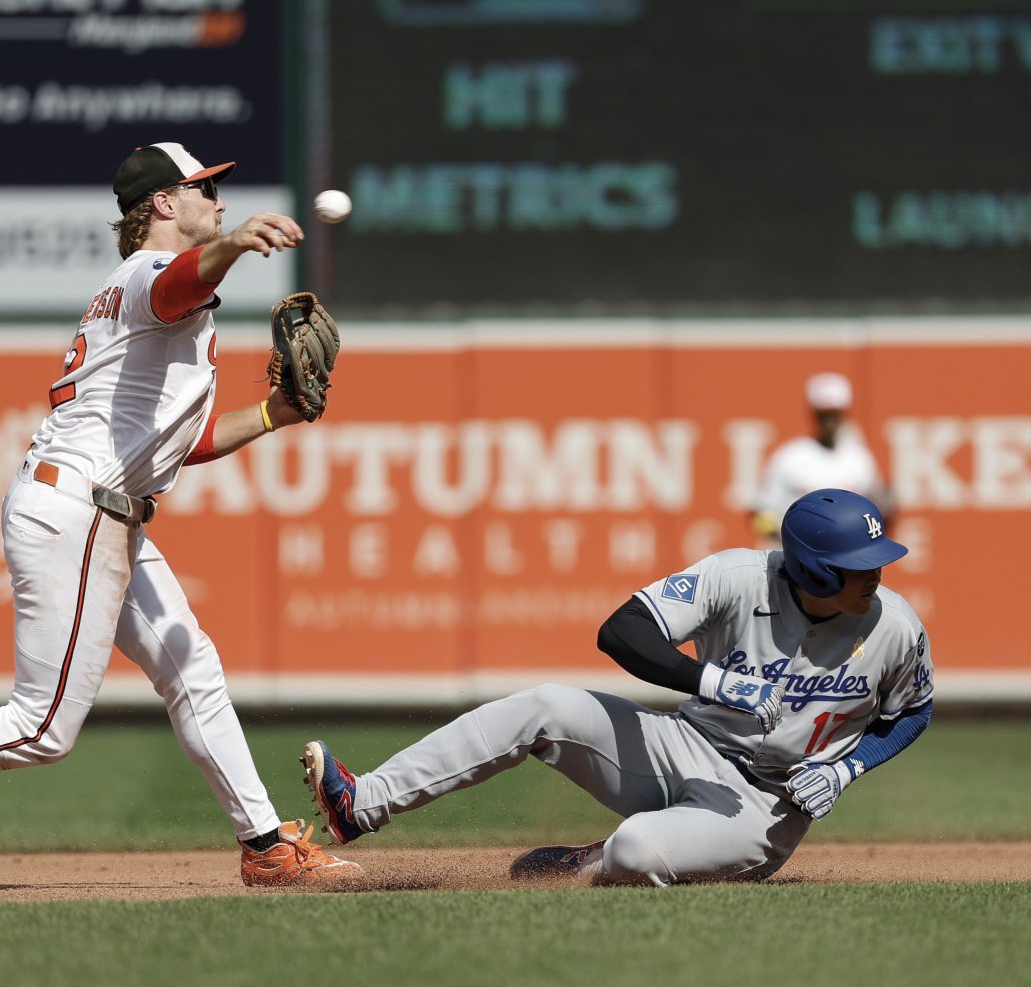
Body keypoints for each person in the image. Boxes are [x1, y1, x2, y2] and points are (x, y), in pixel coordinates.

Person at [0, 142, 358, 890]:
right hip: (79, 513)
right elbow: (182, 277)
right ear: (163, 204)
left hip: (100, 511)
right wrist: (235, 242)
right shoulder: (151, 277)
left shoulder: (160, 302)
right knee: (41, 727)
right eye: (204, 189)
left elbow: (177, 446)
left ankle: (265, 846)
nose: (218, 198)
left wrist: (273, 412)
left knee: (193, 668)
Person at [302, 488, 933, 886]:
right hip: (686, 743)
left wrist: (846, 772)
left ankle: (586, 862)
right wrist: (712, 680)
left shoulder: (896, 627)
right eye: (858, 567)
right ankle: (360, 803)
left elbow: (914, 712)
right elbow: (621, 631)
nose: (875, 575)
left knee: (633, 851)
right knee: (546, 705)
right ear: (812, 569)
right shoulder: (738, 577)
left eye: (877, 563)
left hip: (768, 804)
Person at [750, 372, 888, 546]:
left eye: (834, 414)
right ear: (813, 414)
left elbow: (876, 511)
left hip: (844, 558)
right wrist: (785, 537)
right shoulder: (789, 457)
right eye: (823, 415)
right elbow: (760, 512)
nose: (829, 422)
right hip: (793, 556)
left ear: (844, 414)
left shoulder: (860, 459)